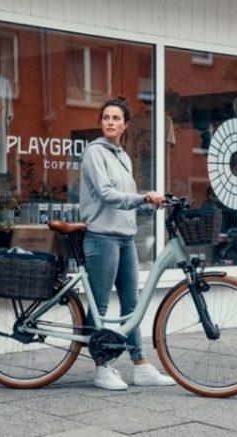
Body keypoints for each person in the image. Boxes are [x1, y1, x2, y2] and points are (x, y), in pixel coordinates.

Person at [79, 97, 176, 391]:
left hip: (125, 238)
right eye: (106, 117)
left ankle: (140, 365)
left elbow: (128, 202)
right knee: (102, 304)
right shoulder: (94, 152)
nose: (110, 122)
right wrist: (142, 197)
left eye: (116, 118)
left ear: (125, 125)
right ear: (101, 122)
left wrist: (153, 204)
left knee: (132, 303)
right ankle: (101, 367)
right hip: (101, 236)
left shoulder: (123, 157)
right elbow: (107, 194)